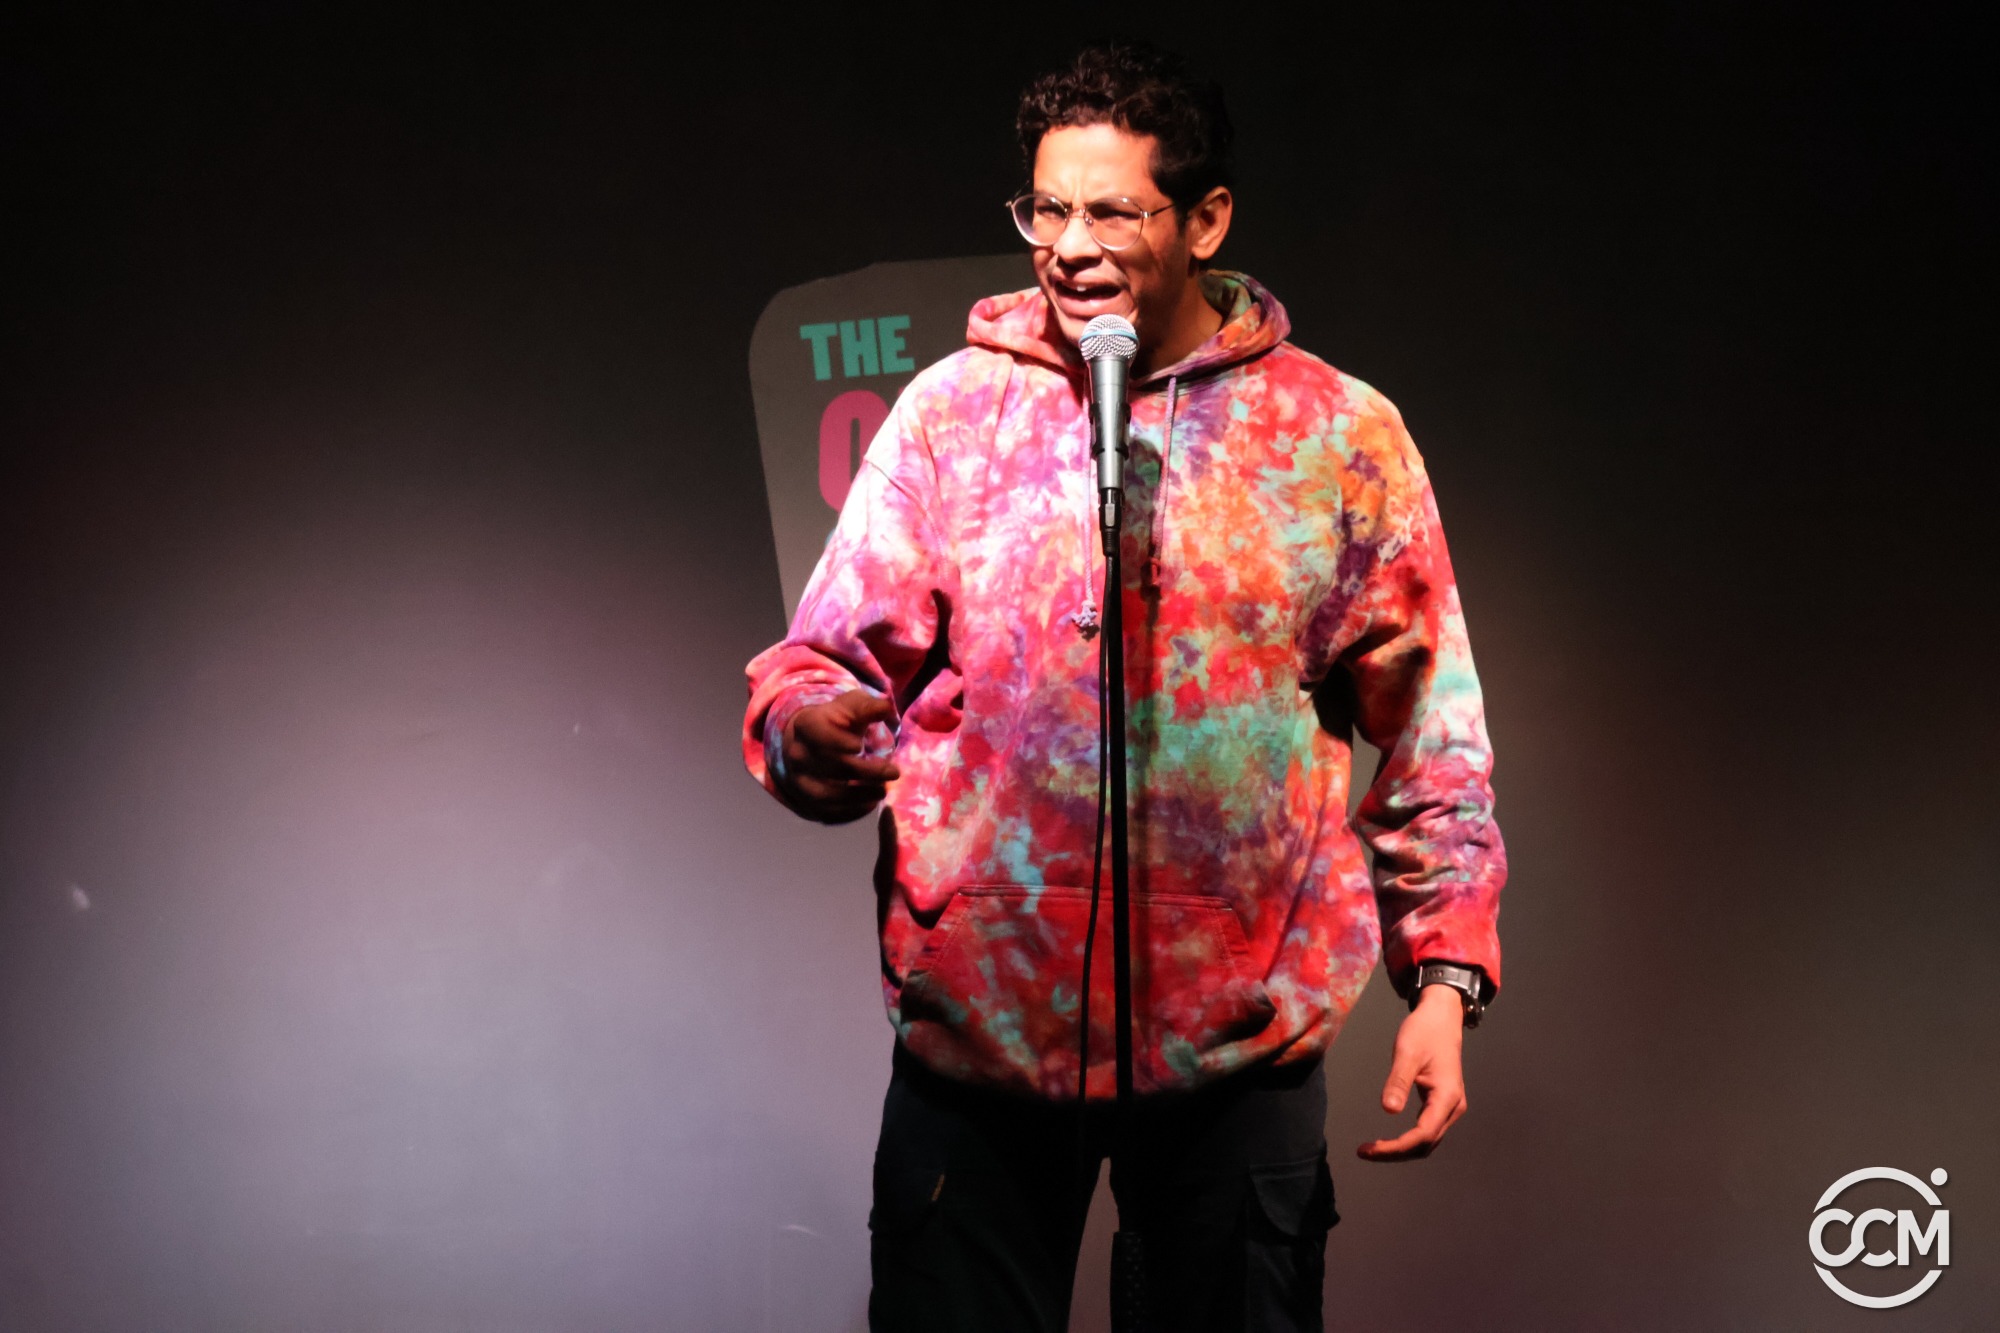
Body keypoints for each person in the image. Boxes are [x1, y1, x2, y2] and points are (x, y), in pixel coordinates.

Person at [742, 42, 1505, 1333]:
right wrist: (804, 729)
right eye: (1046, 209)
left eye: (1111, 211)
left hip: (1235, 1051)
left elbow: (1433, 731)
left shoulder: (1334, 435)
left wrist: (1445, 980)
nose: (1070, 246)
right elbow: (820, 664)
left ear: (1206, 220)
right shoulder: (952, 416)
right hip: (983, 1043)